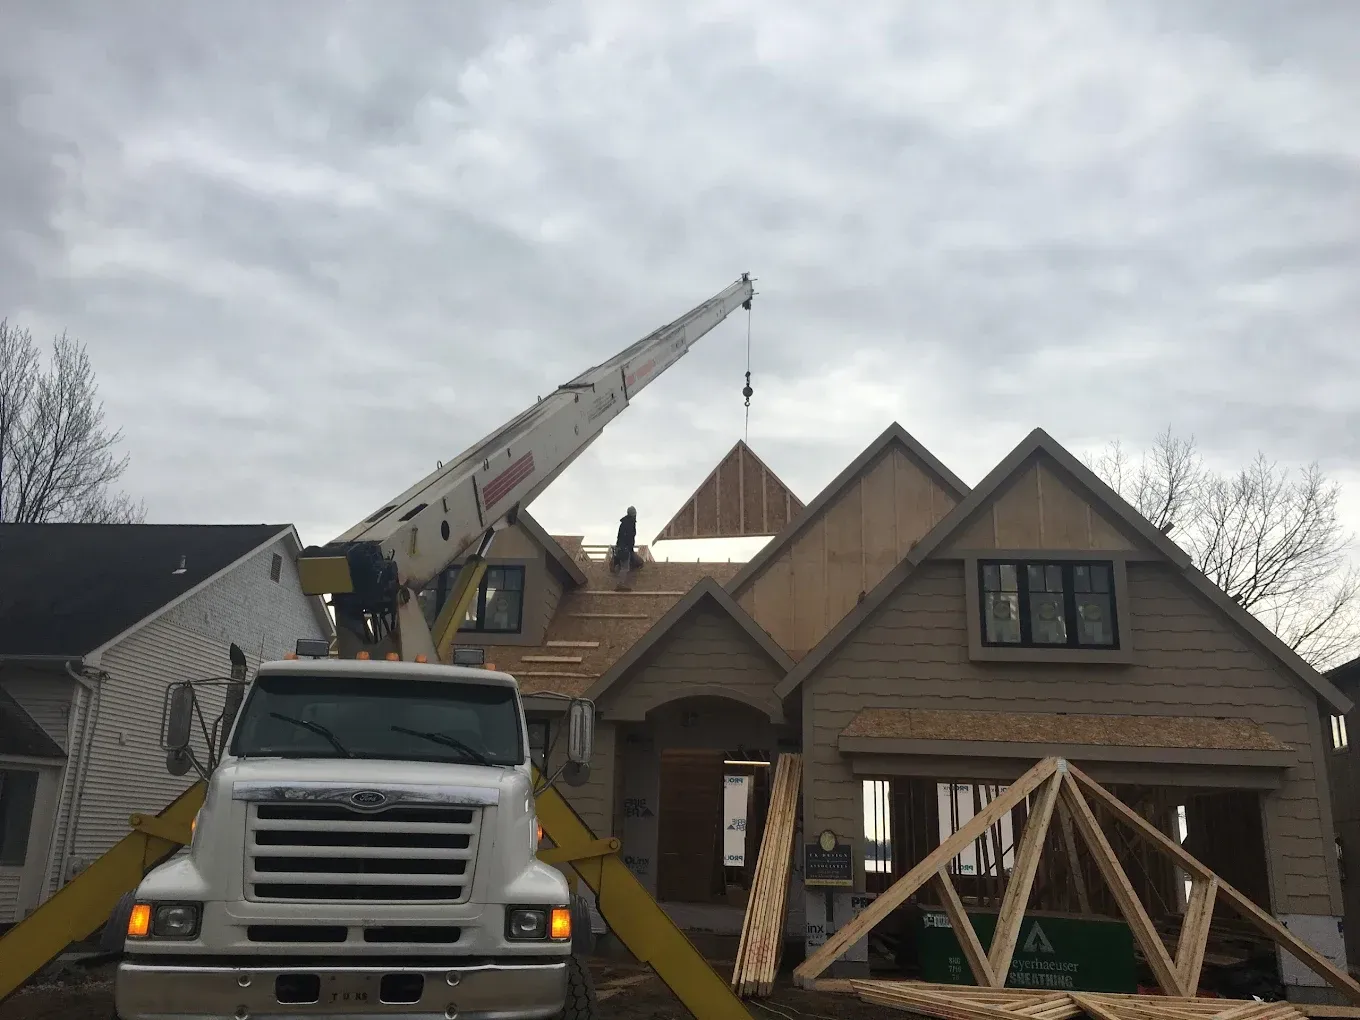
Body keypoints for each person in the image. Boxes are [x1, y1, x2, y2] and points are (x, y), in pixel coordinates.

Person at [612, 506, 640, 590]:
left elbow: (620, 537)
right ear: (634, 514)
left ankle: (615, 563)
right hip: (624, 548)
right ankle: (620, 584)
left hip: (620, 547)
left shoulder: (624, 523)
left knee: (624, 564)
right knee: (625, 567)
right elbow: (629, 538)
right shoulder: (630, 523)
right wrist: (630, 549)